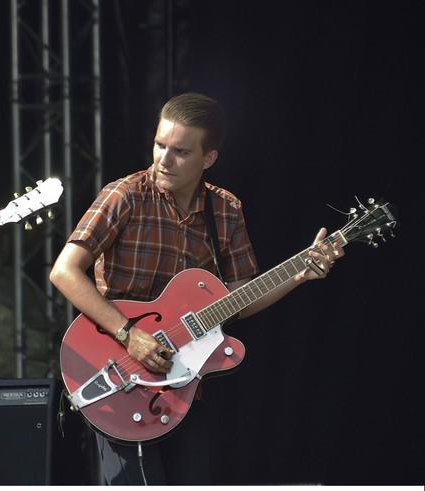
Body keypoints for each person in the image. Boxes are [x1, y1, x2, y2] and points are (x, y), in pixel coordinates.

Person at [49, 92, 344, 485]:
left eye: (181, 152)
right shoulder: (125, 195)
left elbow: (237, 300)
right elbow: (64, 271)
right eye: (159, 145)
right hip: (118, 371)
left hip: (182, 385)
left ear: (209, 158)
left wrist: (298, 274)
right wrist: (129, 334)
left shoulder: (225, 209)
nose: (163, 160)